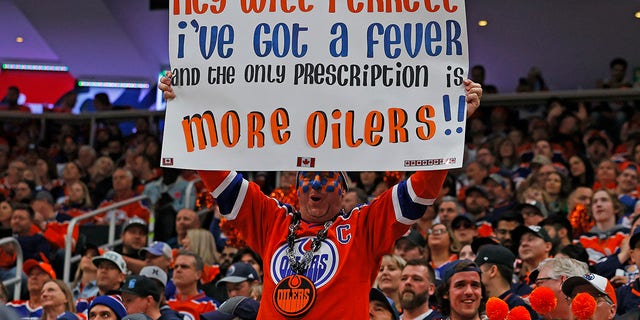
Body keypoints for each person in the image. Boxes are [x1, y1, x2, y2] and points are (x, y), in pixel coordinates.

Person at [159, 71, 482, 318]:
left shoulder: (363, 227)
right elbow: (219, 178)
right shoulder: (272, 220)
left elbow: (420, 192)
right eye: (308, 179)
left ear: (343, 193)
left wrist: (451, 130)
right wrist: (184, 106)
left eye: (326, 179)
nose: (315, 185)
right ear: (296, 189)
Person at [474, 244, 538, 319]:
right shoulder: (480, 306)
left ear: (492, 271)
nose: (474, 273)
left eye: (478, 269)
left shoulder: (518, 308)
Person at [167, 250, 217, 319]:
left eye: (184, 266)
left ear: (198, 275)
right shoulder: (164, 304)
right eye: (175, 267)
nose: (178, 270)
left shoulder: (211, 306)